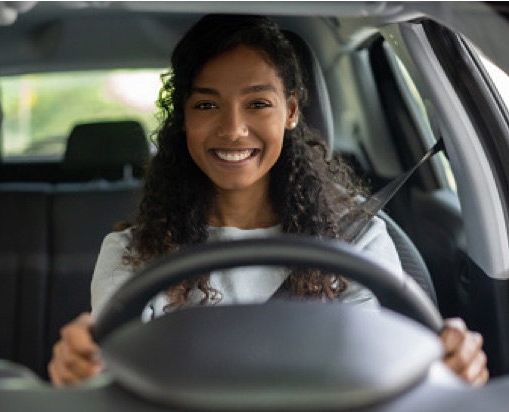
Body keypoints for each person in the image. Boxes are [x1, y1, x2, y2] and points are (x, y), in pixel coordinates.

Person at [48, 14, 489, 387]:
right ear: (184, 118)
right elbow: (115, 383)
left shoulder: (358, 241)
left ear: (291, 112)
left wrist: (444, 368)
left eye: (258, 103)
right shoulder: (132, 255)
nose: (233, 129)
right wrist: (85, 370)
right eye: (206, 106)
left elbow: (389, 372)